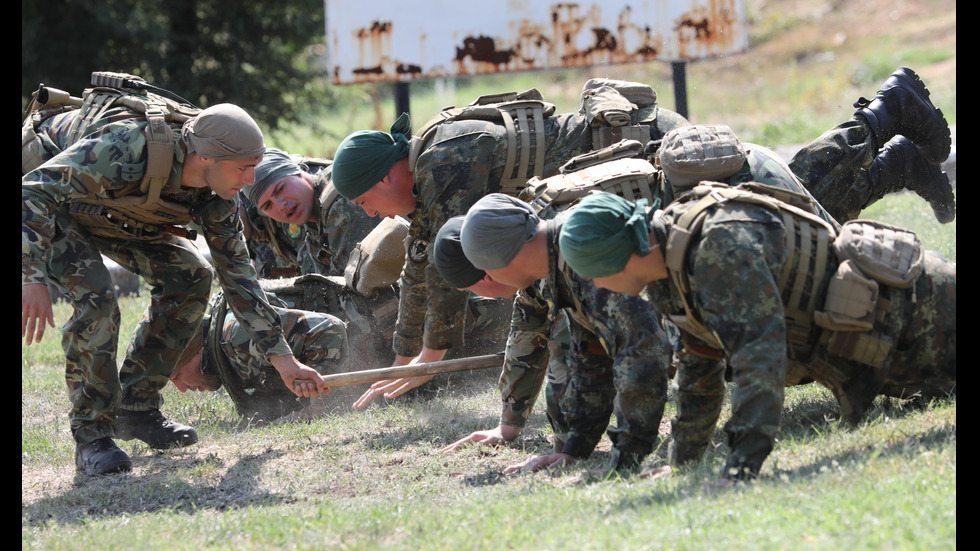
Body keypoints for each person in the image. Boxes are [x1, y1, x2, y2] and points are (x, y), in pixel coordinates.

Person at [330, 79, 691, 407]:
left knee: (681, 262)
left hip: (649, 146)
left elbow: (443, 270)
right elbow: (420, 263)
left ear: (386, 178)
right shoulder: (426, 170)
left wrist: (431, 355)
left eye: (365, 203)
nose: (375, 215)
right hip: (621, 174)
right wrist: (403, 358)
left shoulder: (443, 159)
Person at [22, 90, 329, 476]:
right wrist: (29, 275)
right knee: (96, 299)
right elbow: (33, 192)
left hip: (106, 206)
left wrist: (285, 362)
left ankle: (136, 407)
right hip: (44, 200)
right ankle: (92, 437)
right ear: (205, 157)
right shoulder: (127, 148)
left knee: (190, 275)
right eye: (243, 168)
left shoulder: (218, 198)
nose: (251, 180)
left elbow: (240, 281)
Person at [557, 190, 956, 484]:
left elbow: (758, 360)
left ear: (621, 256)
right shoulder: (667, 265)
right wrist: (684, 461)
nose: (594, 284)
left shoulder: (716, 249)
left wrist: (740, 469)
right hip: (891, 340)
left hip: (925, 316)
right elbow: (700, 364)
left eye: (591, 271)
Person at [450, 194, 674, 478]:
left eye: (485, 269)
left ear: (503, 257)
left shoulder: (582, 252)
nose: (489, 279)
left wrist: (624, 459)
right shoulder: (557, 264)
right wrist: (574, 448)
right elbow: (592, 355)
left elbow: (643, 354)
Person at [171, 273, 514, 421]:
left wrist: (320, 406)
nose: (182, 389)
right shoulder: (224, 347)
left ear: (194, 353)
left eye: (176, 376)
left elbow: (330, 331)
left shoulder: (235, 336)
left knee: (509, 307)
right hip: (388, 346)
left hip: (391, 324)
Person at [241, 148, 383, 278]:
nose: (280, 206)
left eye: (280, 189)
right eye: (267, 205)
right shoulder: (314, 220)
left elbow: (352, 291)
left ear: (297, 172)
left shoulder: (341, 205)